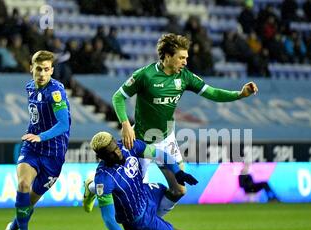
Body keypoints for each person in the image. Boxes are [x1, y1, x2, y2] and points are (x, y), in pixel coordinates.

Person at [107, 33, 258, 219]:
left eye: (186, 57)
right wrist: (125, 124)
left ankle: (154, 223)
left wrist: (240, 94)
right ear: (167, 56)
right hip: (141, 142)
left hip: (166, 140)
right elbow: (118, 97)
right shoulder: (145, 75)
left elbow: (213, 93)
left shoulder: (185, 77)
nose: (185, 62)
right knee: (131, 196)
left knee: (179, 190)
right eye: (181, 58)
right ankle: (92, 186)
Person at [0, 50, 71, 230]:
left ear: (52, 70)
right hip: (32, 147)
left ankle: (10, 229)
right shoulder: (29, 87)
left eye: (46, 70)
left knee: (30, 202)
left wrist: (42, 136)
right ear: (31, 69)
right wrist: (34, 136)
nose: (42, 74)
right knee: (23, 184)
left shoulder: (56, 92)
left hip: (53, 155)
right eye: (38, 69)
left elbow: (64, 124)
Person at [84, 131, 199, 230]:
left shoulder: (128, 146)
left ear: (115, 142)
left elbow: (159, 154)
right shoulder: (104, 178)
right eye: (110, 154)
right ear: (101, 157)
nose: (116, 153)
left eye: (115, 148)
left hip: (147, 194)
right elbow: (108, 218)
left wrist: (178, 172)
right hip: (139, 221)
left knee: (177, 191)